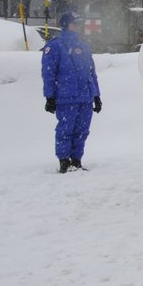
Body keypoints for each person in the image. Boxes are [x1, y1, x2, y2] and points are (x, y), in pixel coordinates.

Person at [41, 10, 100, 173]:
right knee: (65, 130)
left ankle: (76, 160)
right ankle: (64, 161)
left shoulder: (83, 46)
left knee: (82, 131)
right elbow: (48, 73)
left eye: (79, 24)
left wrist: (96, 95)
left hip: (85, 98)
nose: (78, 27)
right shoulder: (54, 46)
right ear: (65, 25)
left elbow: (91, 73)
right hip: (66, 98)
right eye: (75, 24)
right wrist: (49, 96)